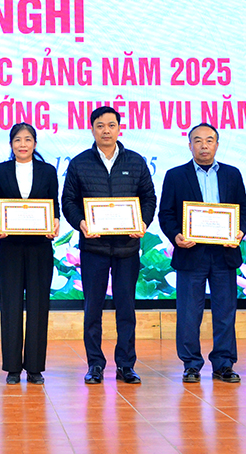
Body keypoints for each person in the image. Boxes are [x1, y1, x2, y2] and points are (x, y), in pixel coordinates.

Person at [61, 106, 156, 385]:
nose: (106, 130)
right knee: (93, 309)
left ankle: (126, 365)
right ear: (92, 129)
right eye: (100, 126)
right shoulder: (79, 163)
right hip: (94, 249)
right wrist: (80, 222)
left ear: (119, 128)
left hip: (127, 249)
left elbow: (149, 198)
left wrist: (143, 222)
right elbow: (68, 201)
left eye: (111, 125)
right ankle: (95, 364)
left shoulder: (135, 162)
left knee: (126, 308)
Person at [158, 123, 246, 384]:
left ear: (217, 145)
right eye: (198, 141)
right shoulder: (175, 175)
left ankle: (224, 364)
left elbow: (244, 209)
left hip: (224, 255)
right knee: (189, 313)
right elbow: (166, 213)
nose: (204, 146)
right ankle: (191, 364)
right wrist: (176, 235)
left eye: (209, 140)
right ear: (190, 145)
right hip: (191, 254)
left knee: (225, 313)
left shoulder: (232, 174)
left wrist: (239, 232)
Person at [0, 123, 60, 385]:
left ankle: (35, 367)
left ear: (35, 143)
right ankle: (12, 368)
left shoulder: (47, 171)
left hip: (40, 247)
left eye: (28, 139)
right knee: (10, 305)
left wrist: (55, 221)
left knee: (39, 305)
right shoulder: (1, 170)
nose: (22, 144)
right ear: (11, 144)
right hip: (10, 247)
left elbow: (54, 205)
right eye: (17, 140)